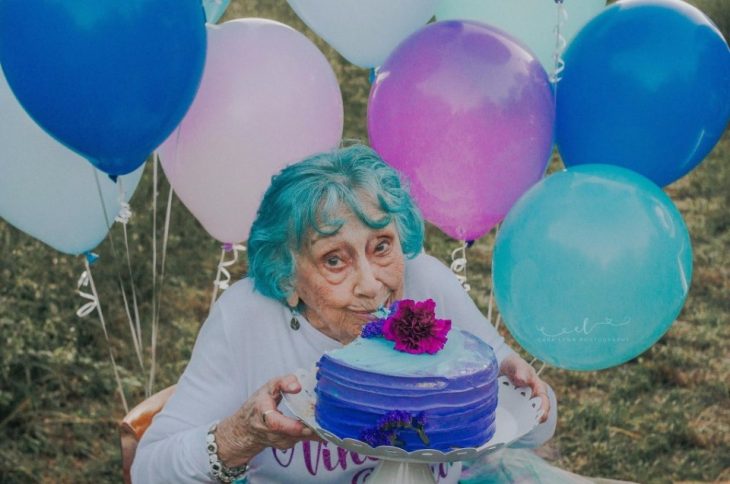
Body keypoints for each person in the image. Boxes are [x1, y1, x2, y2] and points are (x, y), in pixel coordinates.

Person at [132, 145, 557, 483]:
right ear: (286, 276)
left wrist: (512, 387)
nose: (372, 285)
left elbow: (539, 424)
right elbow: (147, 469)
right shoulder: (247, 316)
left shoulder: (427, 283)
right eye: (334, 260)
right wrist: (241, 435)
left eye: (382, 246)